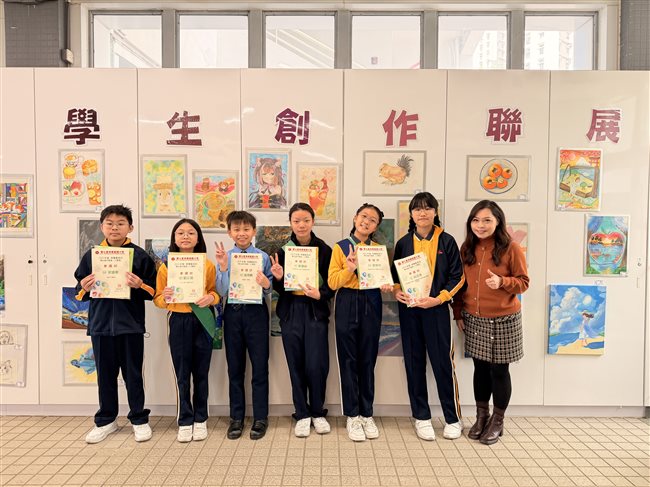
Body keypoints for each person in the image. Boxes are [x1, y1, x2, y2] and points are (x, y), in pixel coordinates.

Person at [74, 204, 156, 444]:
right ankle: (106, 420)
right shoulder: (92, 255)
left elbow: (153, 291)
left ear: (130, 227)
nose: (115, 228)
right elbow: (79, 291)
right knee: (105, 377)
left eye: (121, 223)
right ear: (102, 227)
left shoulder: (139, 256)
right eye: (109, 223)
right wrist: (84, 287)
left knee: (133, 376)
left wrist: (140, 284)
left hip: (130, 326)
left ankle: (139, 419)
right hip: (100, 326)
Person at [452, 200, 529, 445]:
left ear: (498, 222)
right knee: (480, 369)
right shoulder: (467, 247)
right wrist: (458, 313)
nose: (480, 225)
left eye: (487, 220)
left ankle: (498, 420)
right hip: (474, 318)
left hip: (504, 319)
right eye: (476, 220)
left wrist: (502, 282)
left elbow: (524, 283)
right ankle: (481, 416)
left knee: (500, 371)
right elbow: (460, 284)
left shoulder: (511, 248)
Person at [391, 192, 465, 441]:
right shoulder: (403, 243)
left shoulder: (447, 240)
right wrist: (397, 291)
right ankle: (421, 417)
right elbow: (395, 276)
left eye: (427, 208)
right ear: (411, 214)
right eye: (417, 209)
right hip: (410, 312)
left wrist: (439, 298)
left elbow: (458, 277)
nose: (422, 213)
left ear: (435, 212)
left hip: (436, 310)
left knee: (443, 364)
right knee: (414, 364)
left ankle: (453, 418)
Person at [328, 203, 393, 442]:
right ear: (355, 218)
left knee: (368, 359)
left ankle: (367, 413)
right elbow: (332, 282)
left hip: (371, 300)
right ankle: (352, 415)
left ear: (376, 227)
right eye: (364, 216)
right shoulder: (340, 247)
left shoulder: (378, 250)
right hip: (346, 300)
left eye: (372, 220)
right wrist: (349, 269)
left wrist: (386, 285)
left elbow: (384, 279)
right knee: (348, 360)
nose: (367, 221)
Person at [269, 202, 334, 438]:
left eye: (306, 220)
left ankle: (317, 411)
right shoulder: (282, 251)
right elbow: (279, 288)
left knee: (317, 364)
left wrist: (321, 294)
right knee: (295, 364)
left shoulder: (325, 250)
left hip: (315, 311)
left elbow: (332, 284)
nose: (301, 225)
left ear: (313, 221)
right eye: (296, 221)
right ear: (290, 223)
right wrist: (278, 279)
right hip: (291, 311)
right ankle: (302, 413)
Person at [153, 218, 219, 443]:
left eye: (191, 233)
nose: (185, 237)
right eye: (180, 233)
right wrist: (165, 297)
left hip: (202, 320)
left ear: (198, 238)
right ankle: (184, 420)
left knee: (201, 372)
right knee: (182, 373)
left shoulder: (207, 265)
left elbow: (215, 292)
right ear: (174, 238)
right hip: (178, 320)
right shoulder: (166, 267)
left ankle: (200, 419)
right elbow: (158, 299)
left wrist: (211, 298)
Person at [215, 211, 273, 440]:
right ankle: (236, 418)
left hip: (256, 314)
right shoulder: (225, 257)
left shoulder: (263, 257)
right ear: (229, 232)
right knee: (235, 368)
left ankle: (260, 418)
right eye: (237, 229)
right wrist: (223, 268)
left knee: (260, 367)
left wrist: (266, 283)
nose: (242, 233)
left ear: (254, 231)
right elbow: (221, 292)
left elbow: (268, 290)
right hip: (233, 313)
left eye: (246, 229)